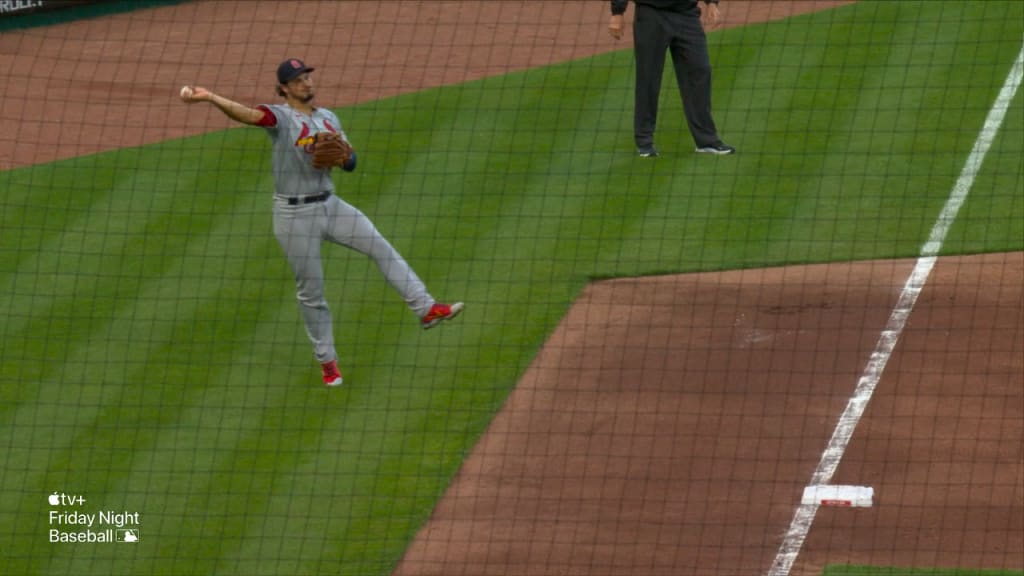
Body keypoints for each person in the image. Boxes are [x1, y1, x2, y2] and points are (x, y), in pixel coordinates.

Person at [180, 58, 463, 387]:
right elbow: (249, 115)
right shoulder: (281, 117)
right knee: (311, 291)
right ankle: (328, 362)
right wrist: (212, 98)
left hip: (331, 205)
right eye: (298, 80)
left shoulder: (328, 118)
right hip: (294, 216)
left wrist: (344, 157)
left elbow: (352, 162)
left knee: (381, 248)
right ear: (284, 88)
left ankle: (426, 309)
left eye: (307, 77)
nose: (306, 84)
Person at [608, 0, 735, 157]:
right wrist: (617, 12)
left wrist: (711, 3)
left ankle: (707, 141)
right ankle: (645, 142)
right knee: (648, 78)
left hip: (687, 14)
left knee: (700, 71)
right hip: (651, 14)